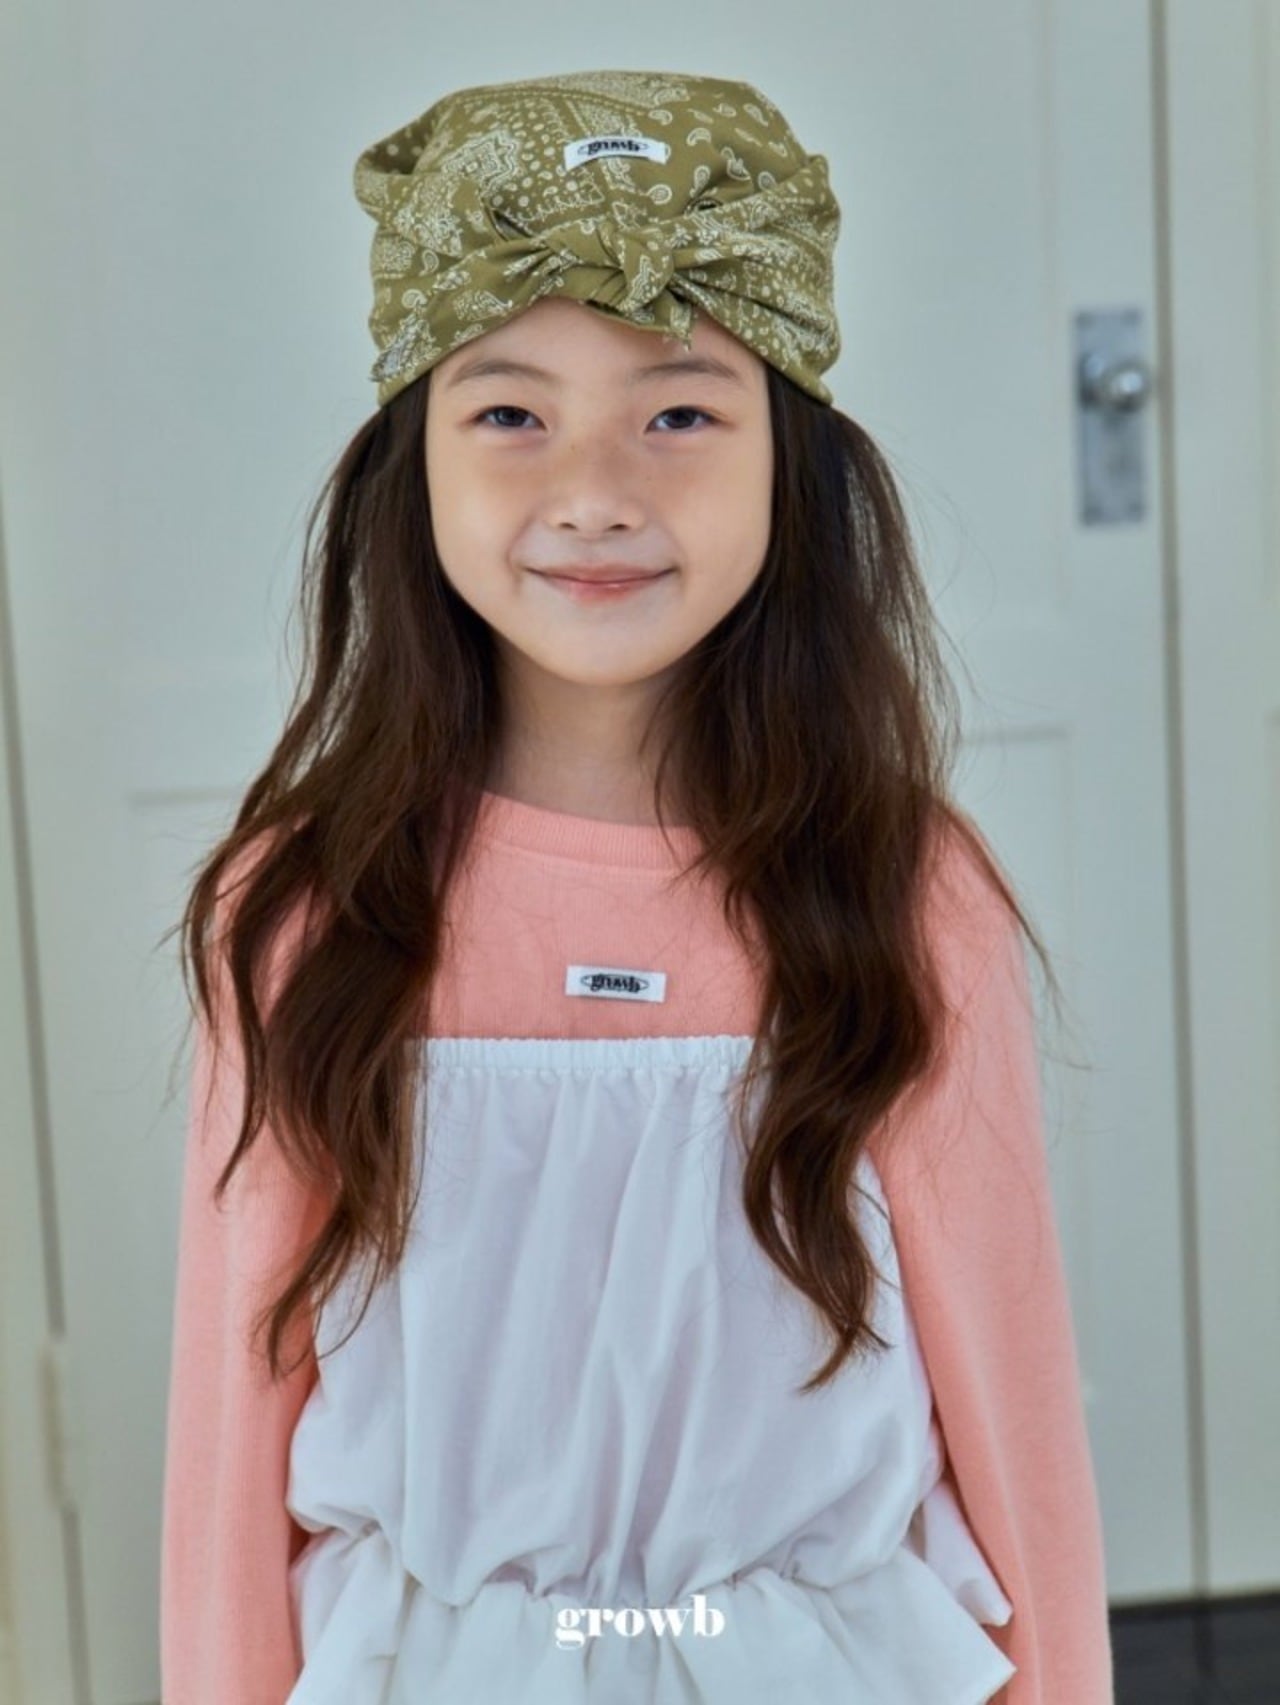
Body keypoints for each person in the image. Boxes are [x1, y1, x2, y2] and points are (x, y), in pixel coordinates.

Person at [158, 67, 1114, 1704]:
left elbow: (1011, 1400)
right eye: (511, 412)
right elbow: (229, 1442)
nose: (596, 492)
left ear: (791, 461)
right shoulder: (310, 906)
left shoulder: (904, 896)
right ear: (411, 461)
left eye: (679, 412)